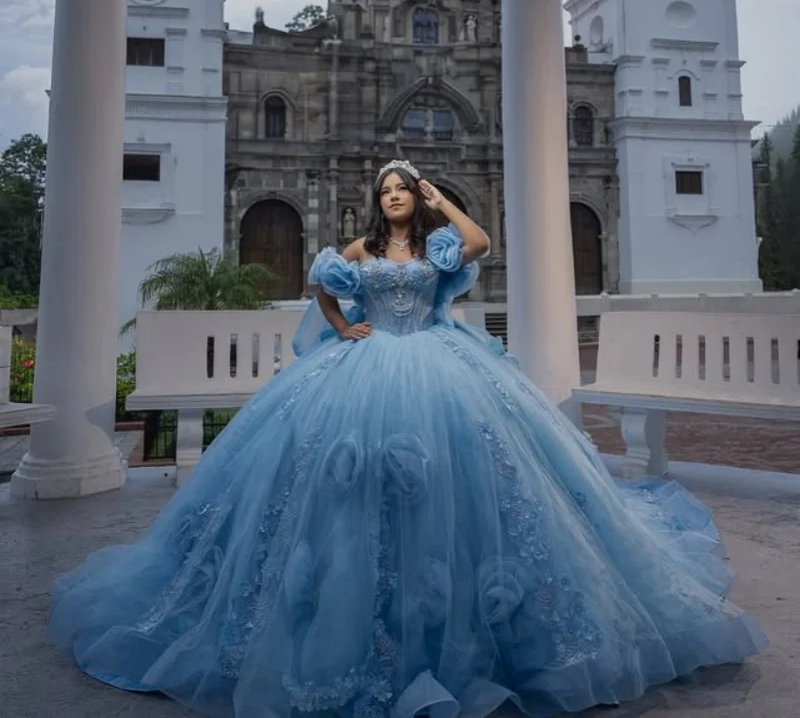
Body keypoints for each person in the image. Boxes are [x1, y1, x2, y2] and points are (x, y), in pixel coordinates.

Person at [50, 160, 767, 718]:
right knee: (345, 490)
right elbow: (322, 285)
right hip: (364, 365)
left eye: (402, 189)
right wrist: (340, 327)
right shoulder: (359, 247)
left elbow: (481, 240)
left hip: (437, 361)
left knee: (473, 484)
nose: (393, 195)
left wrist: (434, 191)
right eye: (387, 188)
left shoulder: (441, 244)